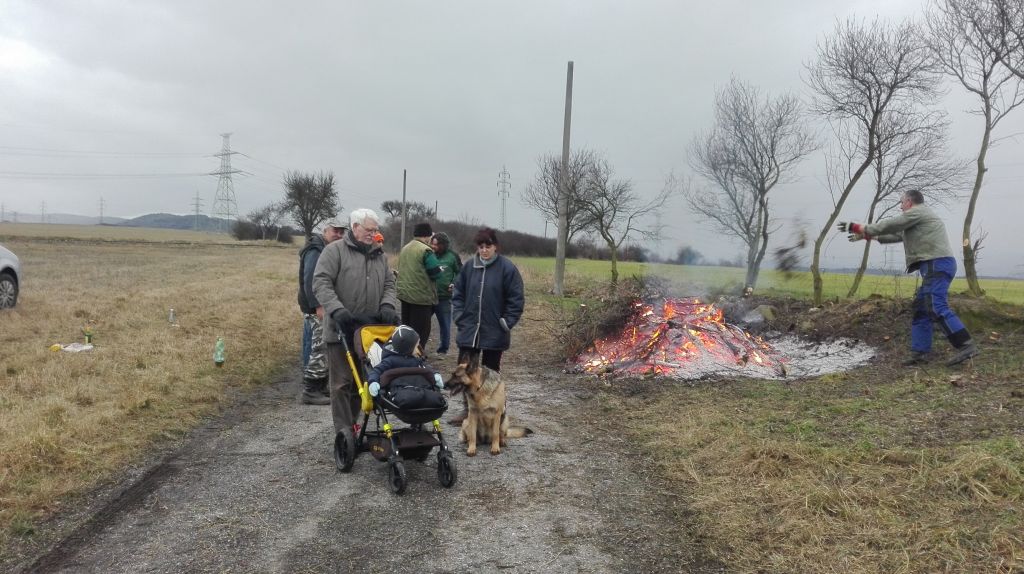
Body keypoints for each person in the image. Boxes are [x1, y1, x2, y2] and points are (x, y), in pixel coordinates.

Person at [839, 190, 980, 367]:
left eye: (902, 202)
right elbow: (898, 235)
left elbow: (893, 224)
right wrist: (868, 236)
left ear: (909, 202)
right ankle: (920, 352)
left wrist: (858, 227)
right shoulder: (918, 219)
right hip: (934, 264)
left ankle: (966, 345)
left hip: (938, 263)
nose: (900, 206)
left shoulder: (919, 211)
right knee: (921, 308)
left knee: (935, 305)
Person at [313, 208, 399, 445]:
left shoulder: (380, 255)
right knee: (341, 383)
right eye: (369, 229)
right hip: (341, 328)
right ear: (355, 227)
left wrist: (388, 305)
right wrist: (336, 309)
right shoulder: (335, 251)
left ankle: (353, 423)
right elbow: (320, 282)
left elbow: (389, 284)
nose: (373, 234)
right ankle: (343, 432)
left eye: (375, 230)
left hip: (369, 332)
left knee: (362, 382)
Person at [449, 227, 524, 424]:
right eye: (481, 247)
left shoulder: (507, 268)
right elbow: (458, 294)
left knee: (491, 374)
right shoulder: (468, 267)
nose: (484, 250)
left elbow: (516, 299)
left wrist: (506, 322)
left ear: (495, 246)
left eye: (488, 246)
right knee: (466, 371)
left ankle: (490, 413)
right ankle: (468, 410)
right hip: (469, 329)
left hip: (494, 330)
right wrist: (459, 316)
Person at [297, 217, 346, 404]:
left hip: (320, 305)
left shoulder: (325, 248)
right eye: (335, 231)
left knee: (317, 345)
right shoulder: (316, 250)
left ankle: (320, 386)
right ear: (325, 231)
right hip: (317, 307)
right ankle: (311, 391)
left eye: (342, 232)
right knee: (319, 346)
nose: (339, 235)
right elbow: (311, 280)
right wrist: (318, 305)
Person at [365, 324, 445, 400]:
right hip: (397, 388)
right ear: (408, 349)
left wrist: (435, 374)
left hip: (416, 386)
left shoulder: (415, 359)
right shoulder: (390, 361)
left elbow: (425, 366)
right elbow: (377, 371)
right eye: (416, 347)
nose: (418, 349)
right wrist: (373, 381)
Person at [396, 222, 442, 354]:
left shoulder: (405, 248)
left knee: (407, 328)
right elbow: (435, 273)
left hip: (405, 296)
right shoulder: (426, 250)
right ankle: (417, 355)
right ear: (427, 235)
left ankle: (404, 354)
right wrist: (440, 270)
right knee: (421, 331)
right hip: (420, 298)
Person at [430, 232, 462, 355]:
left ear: (443, 245)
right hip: (427, 296)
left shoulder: (452, 256)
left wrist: (454, 283)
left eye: (436, 244)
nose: (433, 246)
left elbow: (461, 272)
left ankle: (443, 350)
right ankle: (419, 348)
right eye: (432, 244)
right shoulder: (428, 254)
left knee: (445, 325)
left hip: (444, 297)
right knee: (423, 324)